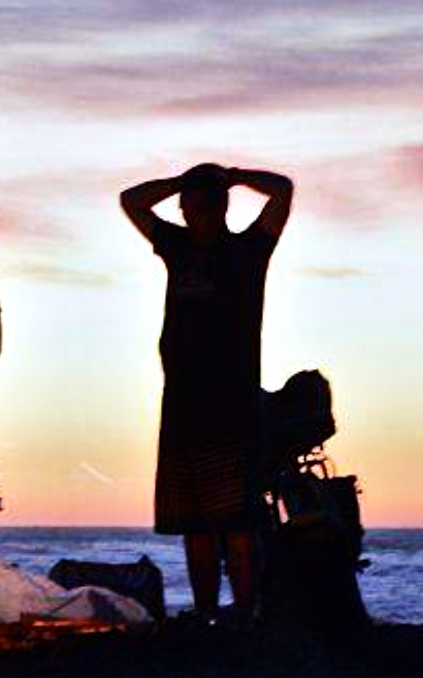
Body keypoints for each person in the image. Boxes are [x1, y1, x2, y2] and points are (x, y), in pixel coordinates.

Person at [121, 162, 294, 622]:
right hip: (181, 405)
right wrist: (181, 181)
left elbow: (282, 191)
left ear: (219, 207)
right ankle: (205, 610)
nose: (190, 212)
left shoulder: (248, 250)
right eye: (187, 205)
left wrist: (234, 175)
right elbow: (131, 200)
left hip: (232, 406)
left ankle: (244, 610)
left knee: (236, 522)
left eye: (200, 203)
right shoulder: (175, 246)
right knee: (192, 523)